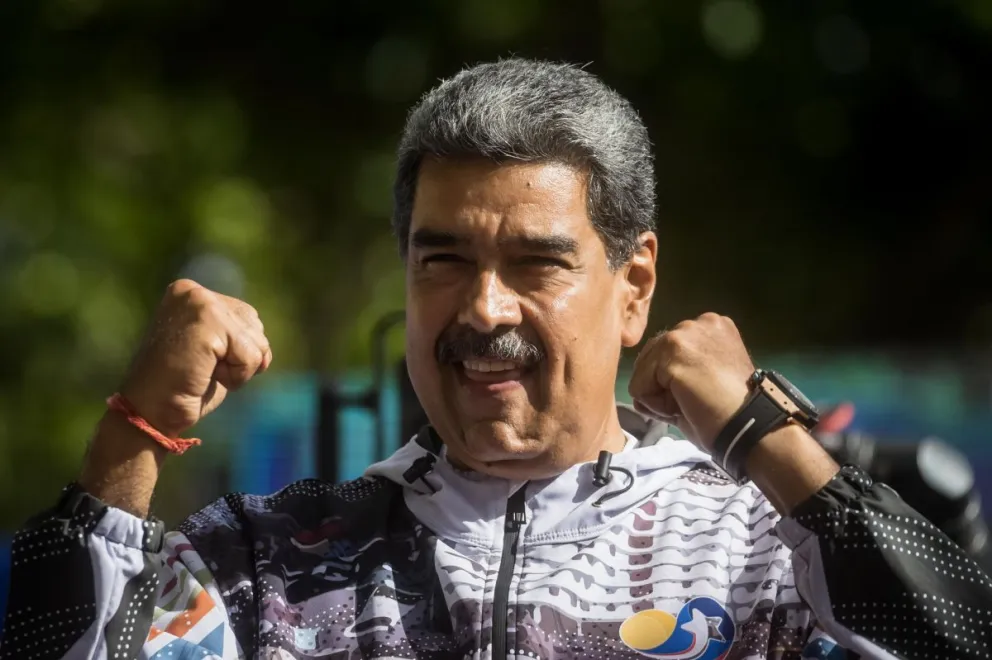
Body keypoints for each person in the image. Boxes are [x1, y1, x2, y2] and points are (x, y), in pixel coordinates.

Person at [1, 58, 989, 660]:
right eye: (444, 260)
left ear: (634, 285)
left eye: (534, 263)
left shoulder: (760, 552)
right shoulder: (270, 560)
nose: (482, 308)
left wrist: (757, 431)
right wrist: (134, 428)